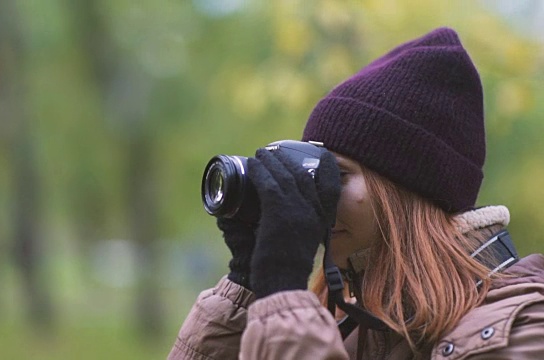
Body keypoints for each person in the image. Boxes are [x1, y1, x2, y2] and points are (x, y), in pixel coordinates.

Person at [168, 27, 544, 359]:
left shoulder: (521, 327)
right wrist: (247, 287)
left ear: (406, 189)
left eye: (337, 174)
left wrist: (284, 295)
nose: (317, 197)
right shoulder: (345, 324)